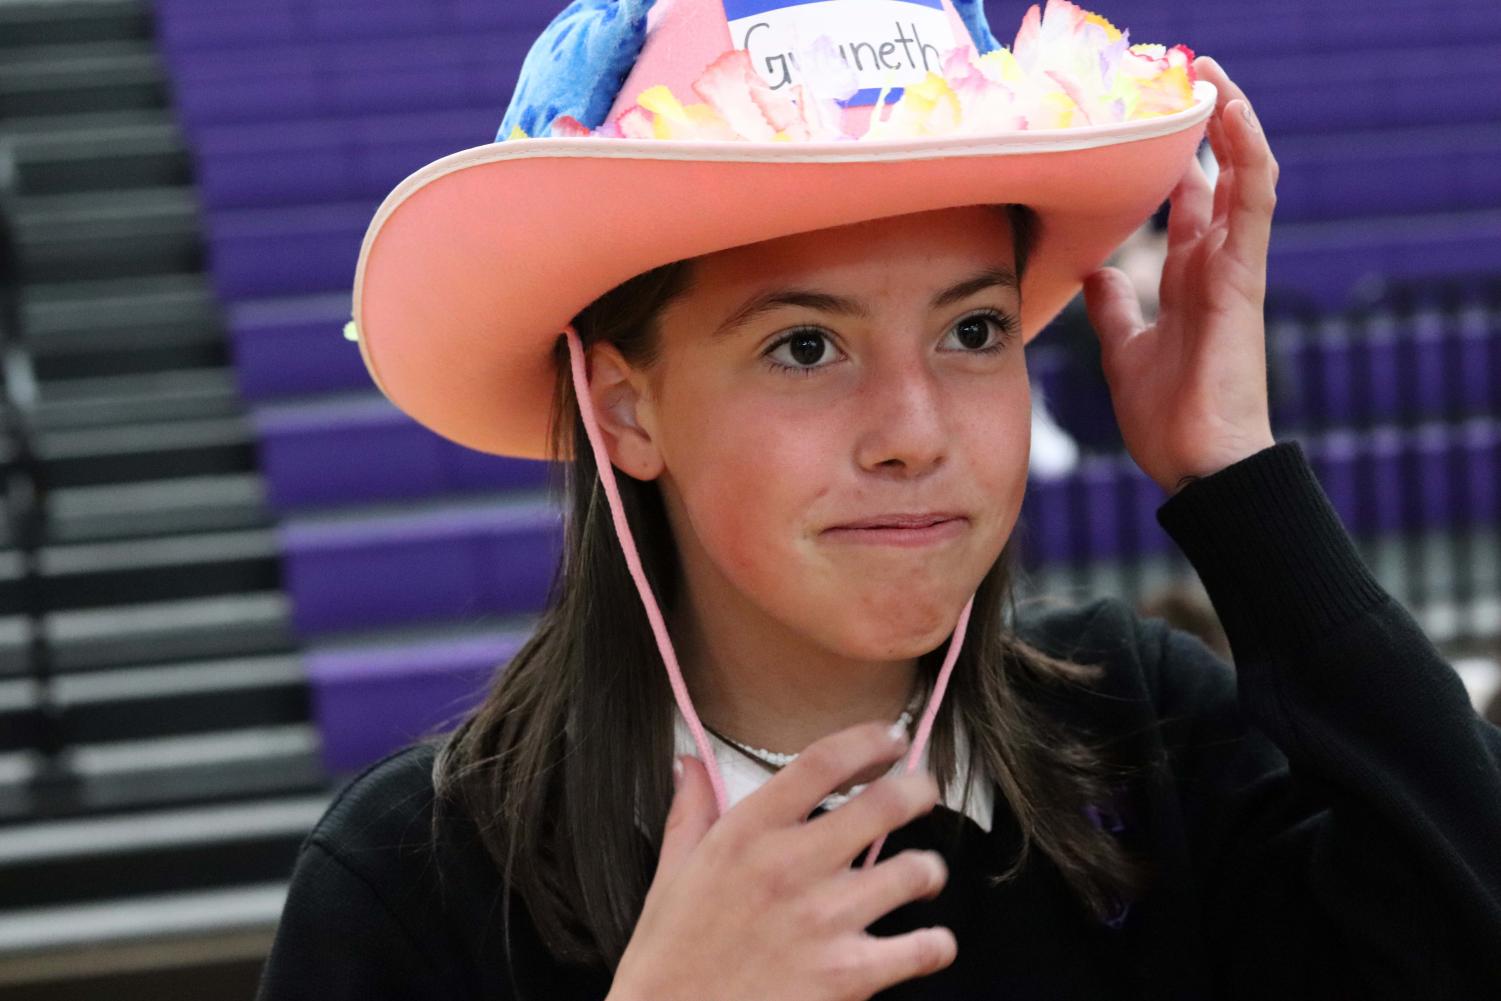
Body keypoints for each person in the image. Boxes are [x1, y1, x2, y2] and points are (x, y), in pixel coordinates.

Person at [258, 1, 1501, 999]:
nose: (915, 434)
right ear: (626, 408)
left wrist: (1234, 475)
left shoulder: (1139, 734)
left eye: (973, 329)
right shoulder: (412, 884)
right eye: (805, 346)